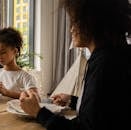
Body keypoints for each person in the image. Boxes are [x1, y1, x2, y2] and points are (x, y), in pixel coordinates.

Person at [19, 0, 131, 129]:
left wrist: (38, 112)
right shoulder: (119, 54)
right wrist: (73, 100)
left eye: (74, 21)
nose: (71, 29)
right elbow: (108, 107)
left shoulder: (105, 65)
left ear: (91, 21)